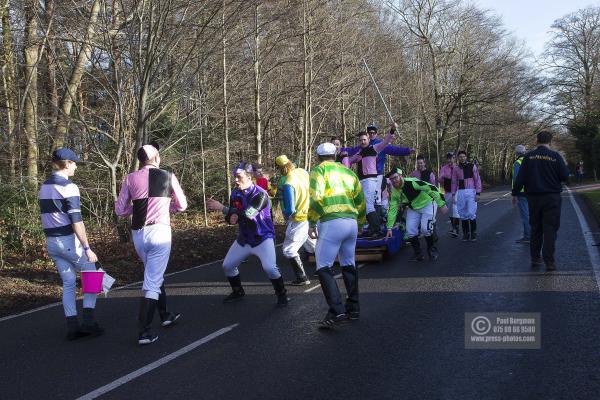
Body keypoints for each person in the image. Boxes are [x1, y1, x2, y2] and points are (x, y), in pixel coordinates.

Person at [116, 142, 188, 345]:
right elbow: (182, 205)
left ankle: (165, 315)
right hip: (160, 232)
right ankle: (144, 332)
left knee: (154, 274)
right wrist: (169, 208)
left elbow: (120, 210)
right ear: (156, 158)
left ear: (140, 160)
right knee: (152, 282)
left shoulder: (130, 178)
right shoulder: (167, 175)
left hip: (139, 234)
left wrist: (138, 209)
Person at [39, 148, 104, 340]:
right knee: (94, 275)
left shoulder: (44, 186)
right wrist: (87, 248)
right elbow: (76, 220)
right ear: (67, 164)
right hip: (69, 241)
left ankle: (72, 326)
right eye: (74, 163)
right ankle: (89, 322)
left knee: (68, 283)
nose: (76, 166)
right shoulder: (69, 187)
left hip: (52, 242)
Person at [207, 162, 289, 306]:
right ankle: (238, 291)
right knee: (227, 266)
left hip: (263, 238)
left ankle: (282, 294)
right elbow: (233, 215)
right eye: (234, 177)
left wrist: (222, 208)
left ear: (250, 177)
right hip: (244, 239)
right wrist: (230, 219)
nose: (236, 180)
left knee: (270, 268)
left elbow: (248, 214)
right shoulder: (235, 193)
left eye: (239, 177)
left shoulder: (261, 194)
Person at [308, 142, 366, 328]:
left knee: (323, 266)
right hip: (351, 223)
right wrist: (361, 223)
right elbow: (360, 200)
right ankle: (354, 308)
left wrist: (311, 221)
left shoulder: (319, 171)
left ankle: (336, 310)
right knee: (348, 263)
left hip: (331, 222)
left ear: (318, 157)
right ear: (336, 154)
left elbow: (316, 198)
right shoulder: (349, 172)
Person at [512, 131, 569, 271]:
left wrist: (515, 193)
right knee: (550, 229)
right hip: (552, 197)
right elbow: (565, 176)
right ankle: (549, 261)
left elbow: (520, 178)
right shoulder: (555, 156)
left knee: (536, 228)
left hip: (534, 197)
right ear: (550, 141)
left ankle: (535, 258)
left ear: (537, 141)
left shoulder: (529, 156)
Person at [343, 125, 413, 223]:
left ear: (375, 134)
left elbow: (389, 145)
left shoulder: (376, 147)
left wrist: (393, 131)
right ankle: (372, 223)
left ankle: (379, 224)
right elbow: (349, 157)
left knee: (375, 202)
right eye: (370, 133)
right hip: (362, 180)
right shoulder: (359, 150)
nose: (371, 135)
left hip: (375, 177)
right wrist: (337, 152)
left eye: (373, 133)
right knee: (365, 203)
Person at [385, 169, 448, 261]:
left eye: (395, 177)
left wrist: (441, 203)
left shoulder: (412, 182)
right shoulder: (394, 191)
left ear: (400, 176)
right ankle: (418, 253)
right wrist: (389, 227)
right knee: (410, 231)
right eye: (391, 179)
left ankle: (431, 249)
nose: (394, 180)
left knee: (425, 229)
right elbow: (392, 209)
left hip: (428, 204)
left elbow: (431, 188)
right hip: (413, 208)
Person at [347, 126, 398, 237]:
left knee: (369, 205)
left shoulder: (374, 148)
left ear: (368, 140)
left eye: (364, 139)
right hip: (362, 181)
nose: (362, 141)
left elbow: (385, 142)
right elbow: (348, 162)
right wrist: (341, 157)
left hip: (370, 180)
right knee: (365, 205)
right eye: (360, 140)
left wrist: (392, 130)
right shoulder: (359, 153)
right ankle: (373, 228)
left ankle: (377, 230)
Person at [275, 154, 316, 285]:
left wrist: (286, 215)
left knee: (289, 249)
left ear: (280, 168)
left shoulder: (288, 182)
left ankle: (302, 277)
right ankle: (326, 270)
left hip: (298, 219)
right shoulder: (303, 172)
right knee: (312, 245)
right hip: (310, 216)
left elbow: (290, 209)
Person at [451, 151, 482, 241]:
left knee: (471, 213)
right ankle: (465, 234)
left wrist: (478, 193)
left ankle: (473, 233)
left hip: (471, 191)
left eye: (463, 156)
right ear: (458, 158)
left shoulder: (472, 166)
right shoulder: (456, 169)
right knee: (462, 213)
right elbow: (453, 182)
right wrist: (453, 195)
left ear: (466, 157)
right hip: (460, 192)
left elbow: (477, 180)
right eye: (460, 157)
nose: (462, 158)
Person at [511, 145, 530, 244]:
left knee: (525, 215)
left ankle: (528, 236)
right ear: (525, 152)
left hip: (522, 192)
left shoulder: (517, 163)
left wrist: (514, 194)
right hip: (532, 191)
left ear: (516, 153)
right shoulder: (531, 161)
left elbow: (516, 179)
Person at [439, 152, 460, 237]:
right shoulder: (444, 168)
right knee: (451, 211)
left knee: (455, 210)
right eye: (448, 158)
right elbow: (440, 180)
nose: (449, 160)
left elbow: (461, 180)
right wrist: (443, 178)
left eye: (451, 158)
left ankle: (456, 229)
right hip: (447, 191)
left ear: (454, 159)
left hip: (456, 191)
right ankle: (453, 226)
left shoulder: (458, 168)